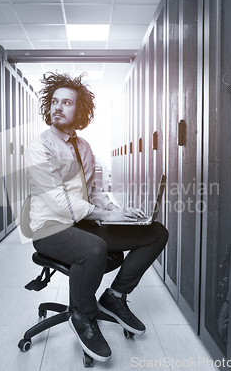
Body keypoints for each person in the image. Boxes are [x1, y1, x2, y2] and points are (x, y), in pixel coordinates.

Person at [25, 72, 168, 362]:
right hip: (49, 228)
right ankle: (84, 316)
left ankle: (115, 296)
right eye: (54, 101)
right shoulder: (39, 147)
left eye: (66, 102)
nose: (58, 107)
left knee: (155, 232)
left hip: (83, 223)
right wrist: (102, 213)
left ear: (79, 110)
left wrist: (117, 211)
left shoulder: (84, 147)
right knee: (94, 249)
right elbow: (58, 200)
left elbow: (93, 192)